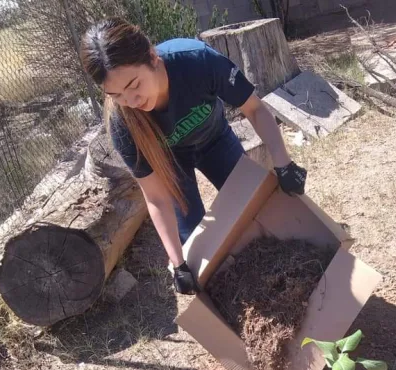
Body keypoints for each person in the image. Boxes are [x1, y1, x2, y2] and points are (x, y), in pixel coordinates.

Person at [80, 19, 307, 296]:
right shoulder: (122, 124)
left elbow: (255, 109)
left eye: (134, 84)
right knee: (196, 246)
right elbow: (156, 198)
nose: (132, 100)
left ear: (152, 57)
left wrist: (284, 164)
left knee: (255, 206)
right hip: (169, 163)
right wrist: (178, 264)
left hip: (215, 139)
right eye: (117, 95)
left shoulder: (196, 61)